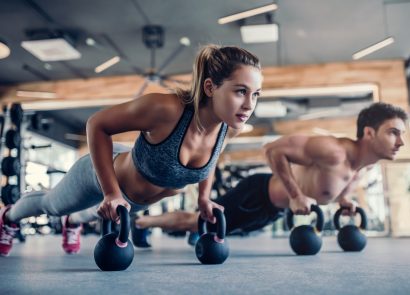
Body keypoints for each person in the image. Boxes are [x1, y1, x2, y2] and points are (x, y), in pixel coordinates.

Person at [0, 44, 263, 256]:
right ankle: (8, 216)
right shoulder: (167, 109)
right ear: (210, 87)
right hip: (102, 174)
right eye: (241, 91)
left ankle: (75, 222)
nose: (249, 104)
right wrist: (111, 192)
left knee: (88, 213)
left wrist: (204, 198)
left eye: (256, 94)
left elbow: (210, 159)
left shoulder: (229, 128)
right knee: (53, 206)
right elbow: (97, 124)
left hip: (131, 201)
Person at [132, 103, 408, 240]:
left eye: (403, 134)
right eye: (394, 132)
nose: (402, 142)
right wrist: (296, 194)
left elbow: (332, 187)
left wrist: (343, 200)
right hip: (257, 193)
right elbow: (273, 149)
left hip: (271, 210)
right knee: (197, 221)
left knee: (219, 231)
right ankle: (140, 224)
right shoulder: (332, 150)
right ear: (369, 133)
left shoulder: (363, 166)